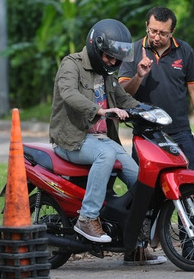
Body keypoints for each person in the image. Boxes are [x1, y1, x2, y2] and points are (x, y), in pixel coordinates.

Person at [49, 19, 166, 265]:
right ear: (95, 47)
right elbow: (68, 93)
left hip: (102, 140)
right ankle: (87, 218)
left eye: (115, 59)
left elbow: (124, 99)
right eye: (108, 57)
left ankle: (134, 245)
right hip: (73, 139)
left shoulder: (108, 74)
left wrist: (150, 112)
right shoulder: (71, 65)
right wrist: (99, 111)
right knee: (106, 155)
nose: (112, 62)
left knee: (143, 179)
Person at [118, 6, 194, 260]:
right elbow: (124, 94)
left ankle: (189, 245)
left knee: (186, 188)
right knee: (144, 189)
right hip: (146, 134)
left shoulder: (184, 51)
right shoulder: (134, 51)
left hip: (179, 133)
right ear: (147, 26)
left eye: (163, 33)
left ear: (172, 31)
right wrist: (139, 74)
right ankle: (135, 246)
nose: (157, 37)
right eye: (153, 31)